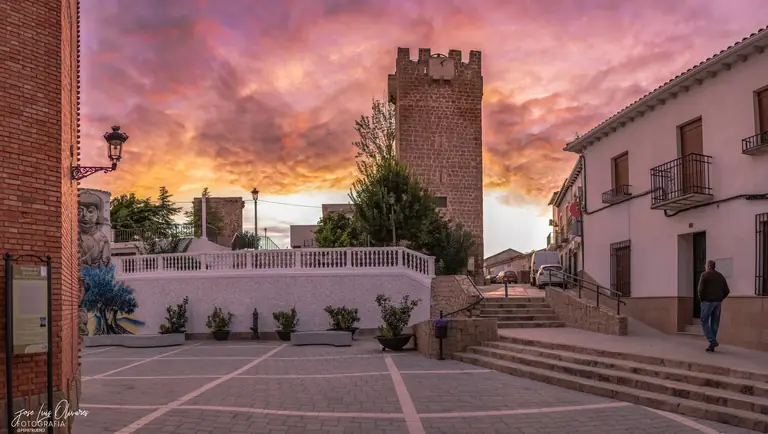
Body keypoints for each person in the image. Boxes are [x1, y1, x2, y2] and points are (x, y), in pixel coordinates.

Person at [697, 260, 730, 352]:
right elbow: (727, 291)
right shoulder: (720, 276)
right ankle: (712, 345)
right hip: (718, 302)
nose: (705, 267)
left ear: (708, 266)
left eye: (706, 265)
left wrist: (702, 299)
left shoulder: (704, 275)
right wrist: (720, 298)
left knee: (704, 321)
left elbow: (700, 289)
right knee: (714, 323)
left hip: (707, 301)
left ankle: (712, 341)